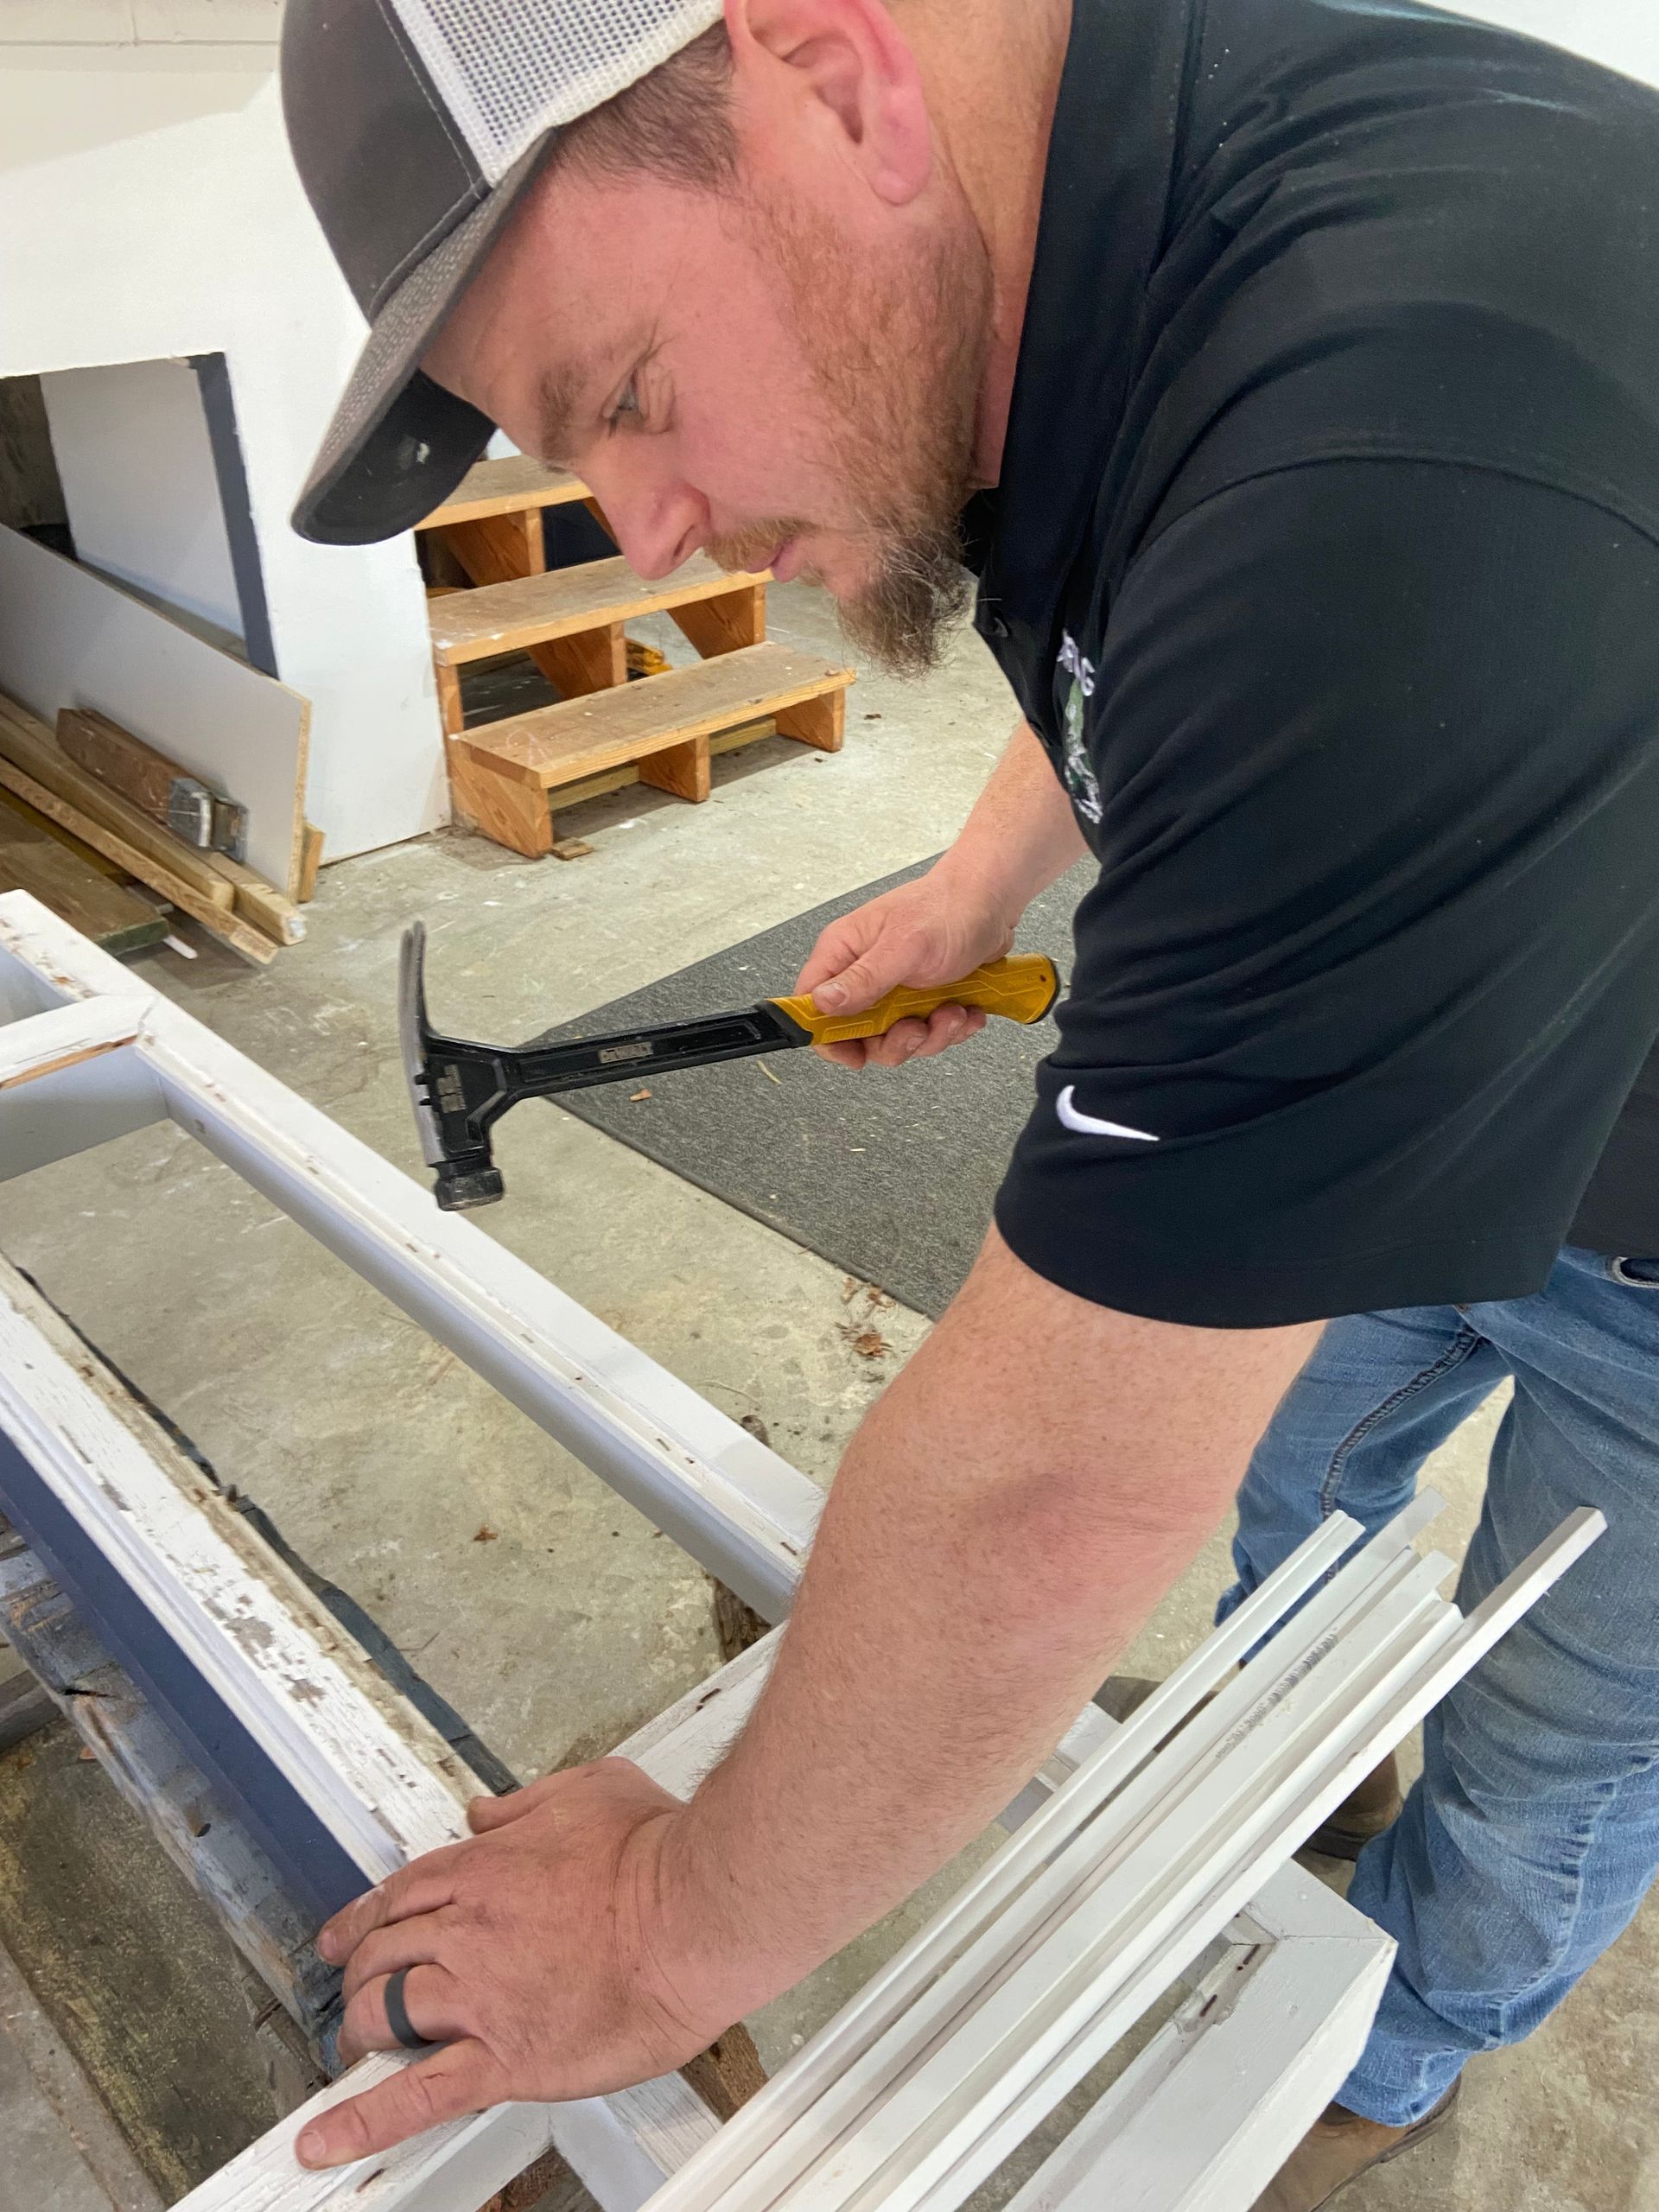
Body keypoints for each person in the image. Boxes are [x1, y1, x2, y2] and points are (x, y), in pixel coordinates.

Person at [278, 2, 1659, 2202]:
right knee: (1303, 1540)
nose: (649, 538)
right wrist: (982, 872)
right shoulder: (1088, 244)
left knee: (1557, 1738)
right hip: (1446, 1120)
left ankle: (1387, 2046)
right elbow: (1138, 583)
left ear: (834, 74)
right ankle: (1299, 1787)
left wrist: (661, 1926)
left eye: (623, 398)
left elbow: (1050, 1486)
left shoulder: (1410, 452)